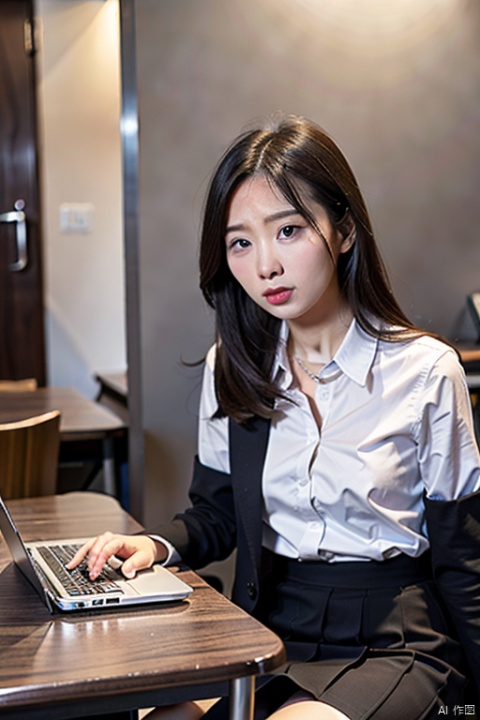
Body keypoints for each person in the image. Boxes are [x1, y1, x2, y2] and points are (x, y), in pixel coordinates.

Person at [68, 116, 480, 720]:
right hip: (268, 625)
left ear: (342, 231)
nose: (265, 265)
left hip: (395, 638)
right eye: (240, 242)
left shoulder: (423, 372)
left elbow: (463, 556)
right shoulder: (232, 368)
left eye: (288, 230)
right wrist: (154, 546)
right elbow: (217, 514)